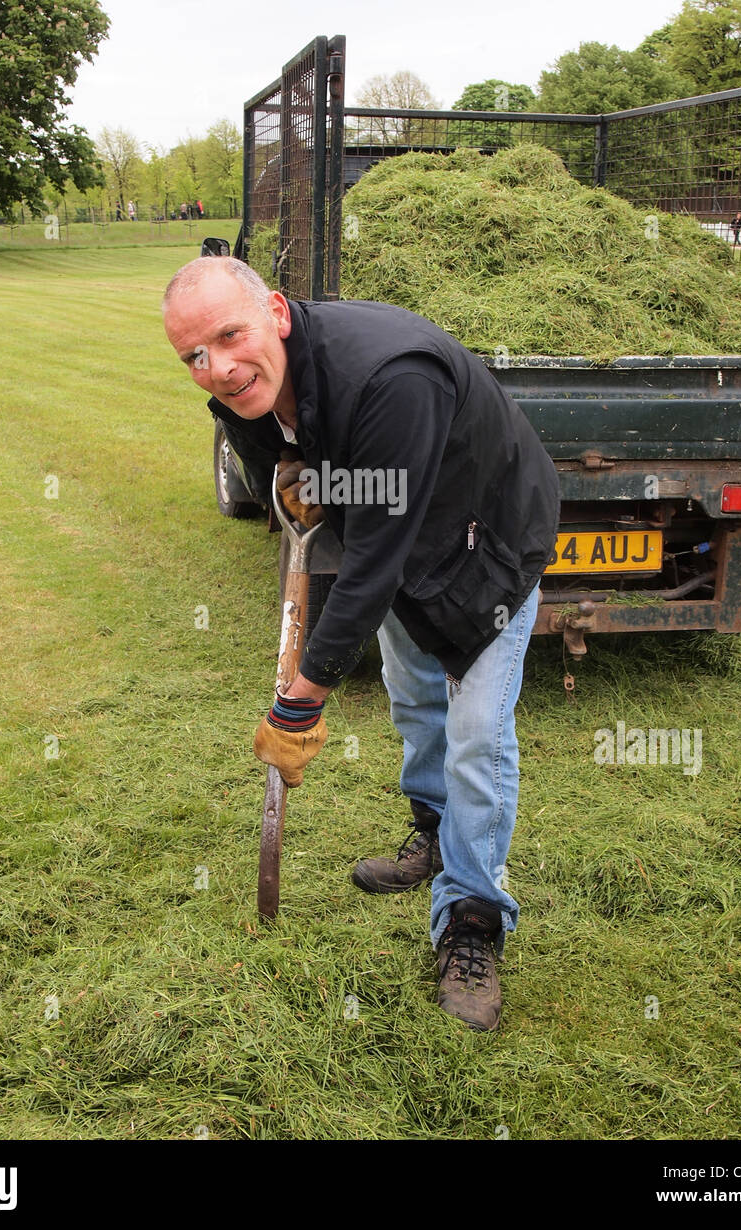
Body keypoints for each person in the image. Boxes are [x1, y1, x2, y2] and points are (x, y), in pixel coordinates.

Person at [162, 257, 560, 1031]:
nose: (217, 366)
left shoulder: (388, 376)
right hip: (401, 530)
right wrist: (290, 471)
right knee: (414, 697)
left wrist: (300, 699)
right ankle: (434, 834)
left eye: (229, 335)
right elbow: (291, 482)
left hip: (489, 539)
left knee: (476, 734)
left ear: (276, 311)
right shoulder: (242, 388)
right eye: (193, 355)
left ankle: (471, 922)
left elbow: (370, 564)